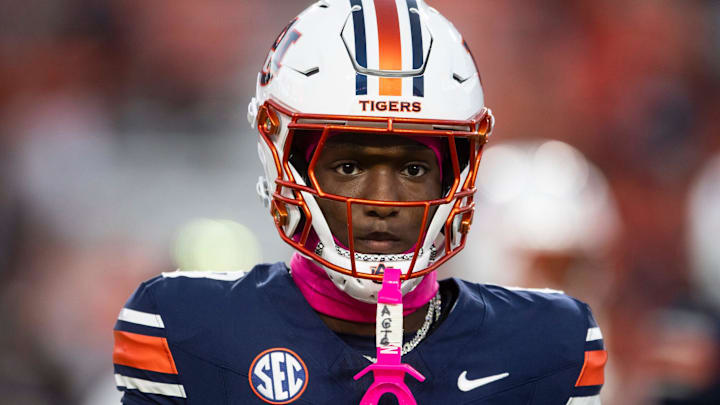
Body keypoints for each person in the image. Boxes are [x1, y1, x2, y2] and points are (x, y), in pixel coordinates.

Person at [112, 1, 606, 403]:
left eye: (413, 169)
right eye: (349, 167)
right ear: (284, 163)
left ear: (455, 176)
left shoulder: (548, 346)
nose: (382, 201)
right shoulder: (185, 329)